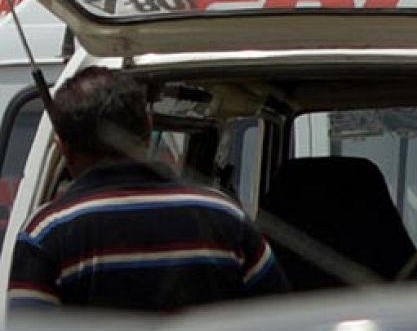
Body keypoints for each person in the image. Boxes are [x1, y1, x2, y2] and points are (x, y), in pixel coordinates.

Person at [8, 66, 289, 312]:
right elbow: (280, 322)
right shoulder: (226, 217)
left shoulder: (46, 233)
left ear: (64, 148)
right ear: (148, 128)